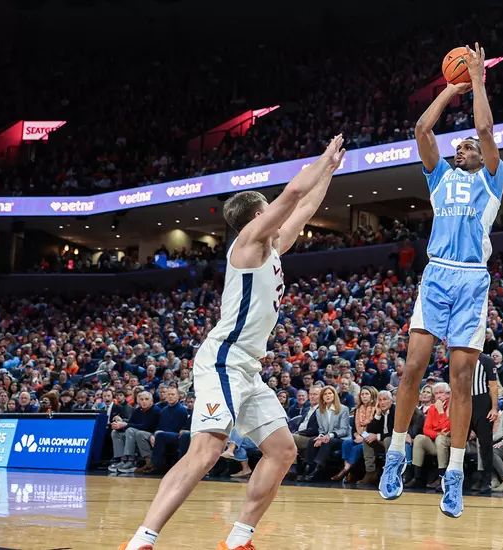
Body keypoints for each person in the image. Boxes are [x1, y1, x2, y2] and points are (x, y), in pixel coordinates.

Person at [120, 136, 345, 550]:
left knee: (282, 451)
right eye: (273, 210)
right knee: (206, 451)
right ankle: (141, 541)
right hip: (224, 359)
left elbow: (307, 205)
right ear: (260, 215)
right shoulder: (247, 246)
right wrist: (322, 158)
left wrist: (329, 172)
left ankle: (239, 539)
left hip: (249, 367)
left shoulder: (274, 246)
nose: (285, 213)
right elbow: (295, 192)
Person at [380, 43, 503, 519]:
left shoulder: (493, 179)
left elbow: (485, 127)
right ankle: (395, 454)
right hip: (436, 275)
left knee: (459, 381)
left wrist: (476, 82)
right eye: (459, 148)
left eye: (468, 147)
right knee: (413, 366)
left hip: (472, 280)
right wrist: (448, 89)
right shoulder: (439, 178)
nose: (463, 147)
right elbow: (421, 128)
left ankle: (454, 474)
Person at [406, 382, 453, 489]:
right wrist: (437, 433)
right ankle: (416, 477)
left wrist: (441, 411)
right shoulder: (432, 408)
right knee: (419, 438)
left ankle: (442, 478)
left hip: (451, 441)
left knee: (441, 439)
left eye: (441, 393)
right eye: (436, 393)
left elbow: (448, 428)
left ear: (448, 394)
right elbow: (426, 429)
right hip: (436, 440)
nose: (438, 396)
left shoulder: (453, 406)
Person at [302, 386, 352, 481]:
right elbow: (321, 430)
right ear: (322, 397)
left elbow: (344, 430)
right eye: (325, 394)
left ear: (334, 395)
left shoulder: (343, 409)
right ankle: (308, 468)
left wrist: (329, 435)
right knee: (312, 441)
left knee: (327, 442)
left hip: (341, 438)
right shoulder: (319, 411)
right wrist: (320, 436)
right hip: (326, 437)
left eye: (330, 393)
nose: (328, 396)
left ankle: (317, 470)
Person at [334, 386, 378, 482]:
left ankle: (344, 471)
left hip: (370, 438)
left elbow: (375, 428)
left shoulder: (376, 410)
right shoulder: (357, 410)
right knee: (346, 443)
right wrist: (356, 435)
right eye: (362, 394)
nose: (364, 396)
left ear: (372, 396)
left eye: (367, 394)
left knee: (356, 448)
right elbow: (354, 428)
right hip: (358, 436)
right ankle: (348, 471)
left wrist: (363, 437)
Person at [469, 353, 499, 493]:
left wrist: (494, 408)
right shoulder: (458, 357)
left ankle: (487, 480)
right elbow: (454, 384)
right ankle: (456, 478)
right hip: (464, 402)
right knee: (457, 442)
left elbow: (493, 385)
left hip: (482, 403)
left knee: (486, 444)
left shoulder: (486, 360)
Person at [357, 390, 396, 487]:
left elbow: (394, 431)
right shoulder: (378, 411)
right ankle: (370, 472)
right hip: (381, 442)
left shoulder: (396, 411)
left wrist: (377, 436)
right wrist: (377, 415)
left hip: (393, 442)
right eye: (380, 400)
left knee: (387, 440)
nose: (382, 402)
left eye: (385, 399)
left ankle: (389, 473)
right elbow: (370, 429)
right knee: (366, 437)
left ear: (391, 401)